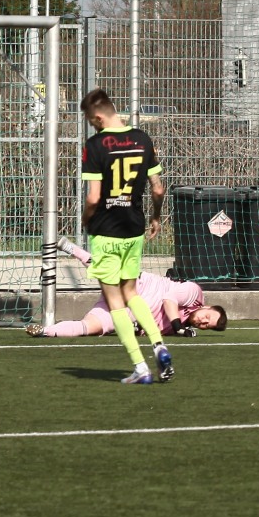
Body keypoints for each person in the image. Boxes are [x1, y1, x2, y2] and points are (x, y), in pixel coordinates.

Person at [78, 88, 171, 385]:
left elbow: (93, 197)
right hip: (133, 228)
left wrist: (86, 220)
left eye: (91, 122)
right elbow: (158, 188)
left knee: (114, 300)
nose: (92, 126)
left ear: (98, 117)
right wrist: (155, 216)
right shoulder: (143, 139)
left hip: (106, 230)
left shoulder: (95, 145)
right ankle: (159, 345)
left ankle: (140, 367)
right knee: (131, 292)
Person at [27, 243, 228, 337]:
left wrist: (141, 329)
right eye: (207, 317)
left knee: (89, 328)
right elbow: (169, 299)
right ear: (207, 307)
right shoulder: (194, 293)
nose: (203, 322)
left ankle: (45, 331)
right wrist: (177, 327)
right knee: (108, 273)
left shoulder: (181, 328)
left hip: (126, 312)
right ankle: (72, 249)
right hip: (137, 288)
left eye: (206, 326)